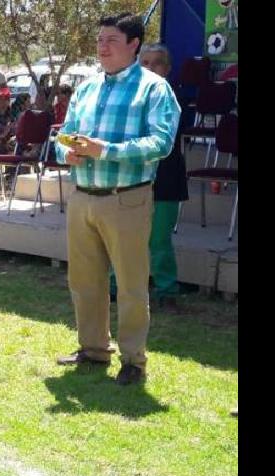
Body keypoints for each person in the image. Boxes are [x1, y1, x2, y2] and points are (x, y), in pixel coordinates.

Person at [54, 13, 181, 386]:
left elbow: (161, 143)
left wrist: (103, 150)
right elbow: (64, 135)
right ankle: (93, 349)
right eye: (99, 41)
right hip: (82, 196)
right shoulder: (87, 88)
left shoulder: (154, 89)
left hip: (127, 199)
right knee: (85, 281)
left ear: (134, 44)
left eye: (111, 40)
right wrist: (68, 153)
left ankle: (133, 360)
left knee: (130, 285)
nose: (102, 47)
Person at [109, 43, 189, 309]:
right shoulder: (127, 98)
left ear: (167, 69)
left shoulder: (171, 99)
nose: (151, 68)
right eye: (145, 62)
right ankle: (113, 286)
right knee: (123, 237)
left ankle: (166, 291)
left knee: (159, 240)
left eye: (157, 63)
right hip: (131, 177)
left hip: (165, 180)